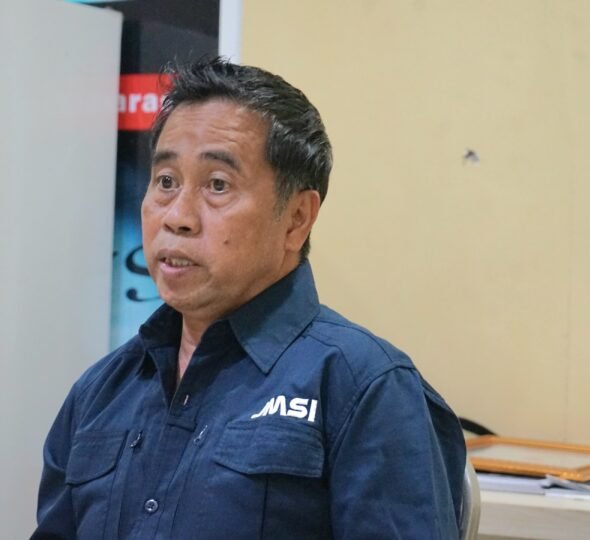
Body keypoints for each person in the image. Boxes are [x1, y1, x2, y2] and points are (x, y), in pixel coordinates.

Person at [32, 57, 466, 539]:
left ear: (297, 219)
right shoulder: (100, 391)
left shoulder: (364, 386)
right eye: (166, 182)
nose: (177, 216)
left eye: (217, 185)